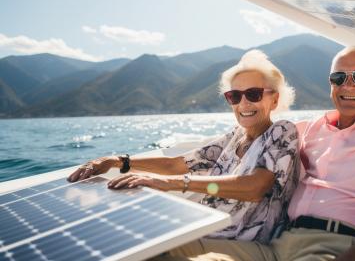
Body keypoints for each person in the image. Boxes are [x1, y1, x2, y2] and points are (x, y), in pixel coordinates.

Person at [164, 46, 355, 261]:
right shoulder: (303, 130)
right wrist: (126, 164)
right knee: (164, 249)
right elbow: (243, 140)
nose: (348, 86)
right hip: (274, 246)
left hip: (335, 248)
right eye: (338, 78)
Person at [67, 49, 299, 244]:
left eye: (254, 94)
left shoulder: (281, 132)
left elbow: (254, 187)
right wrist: (117, 161)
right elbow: (176, 163)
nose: (243, 103)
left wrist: (171, 184)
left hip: (245, 244)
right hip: (205, 231)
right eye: (234, 96)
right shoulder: (235, 136)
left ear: (275, 100)